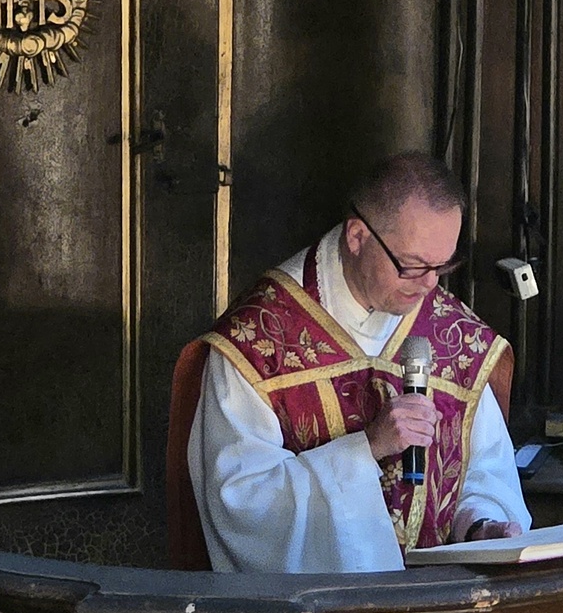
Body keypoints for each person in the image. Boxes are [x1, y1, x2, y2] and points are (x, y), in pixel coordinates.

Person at [187, 152, 532, 572]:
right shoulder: (258, 342)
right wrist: (366, 448)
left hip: (439, 601)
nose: (429, 285)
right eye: (413, 265)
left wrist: (479, 526)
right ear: (357, 237)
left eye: (442, 266)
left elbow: (485, 471)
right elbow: (242, 505)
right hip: (321, 609)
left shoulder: (455, 337)